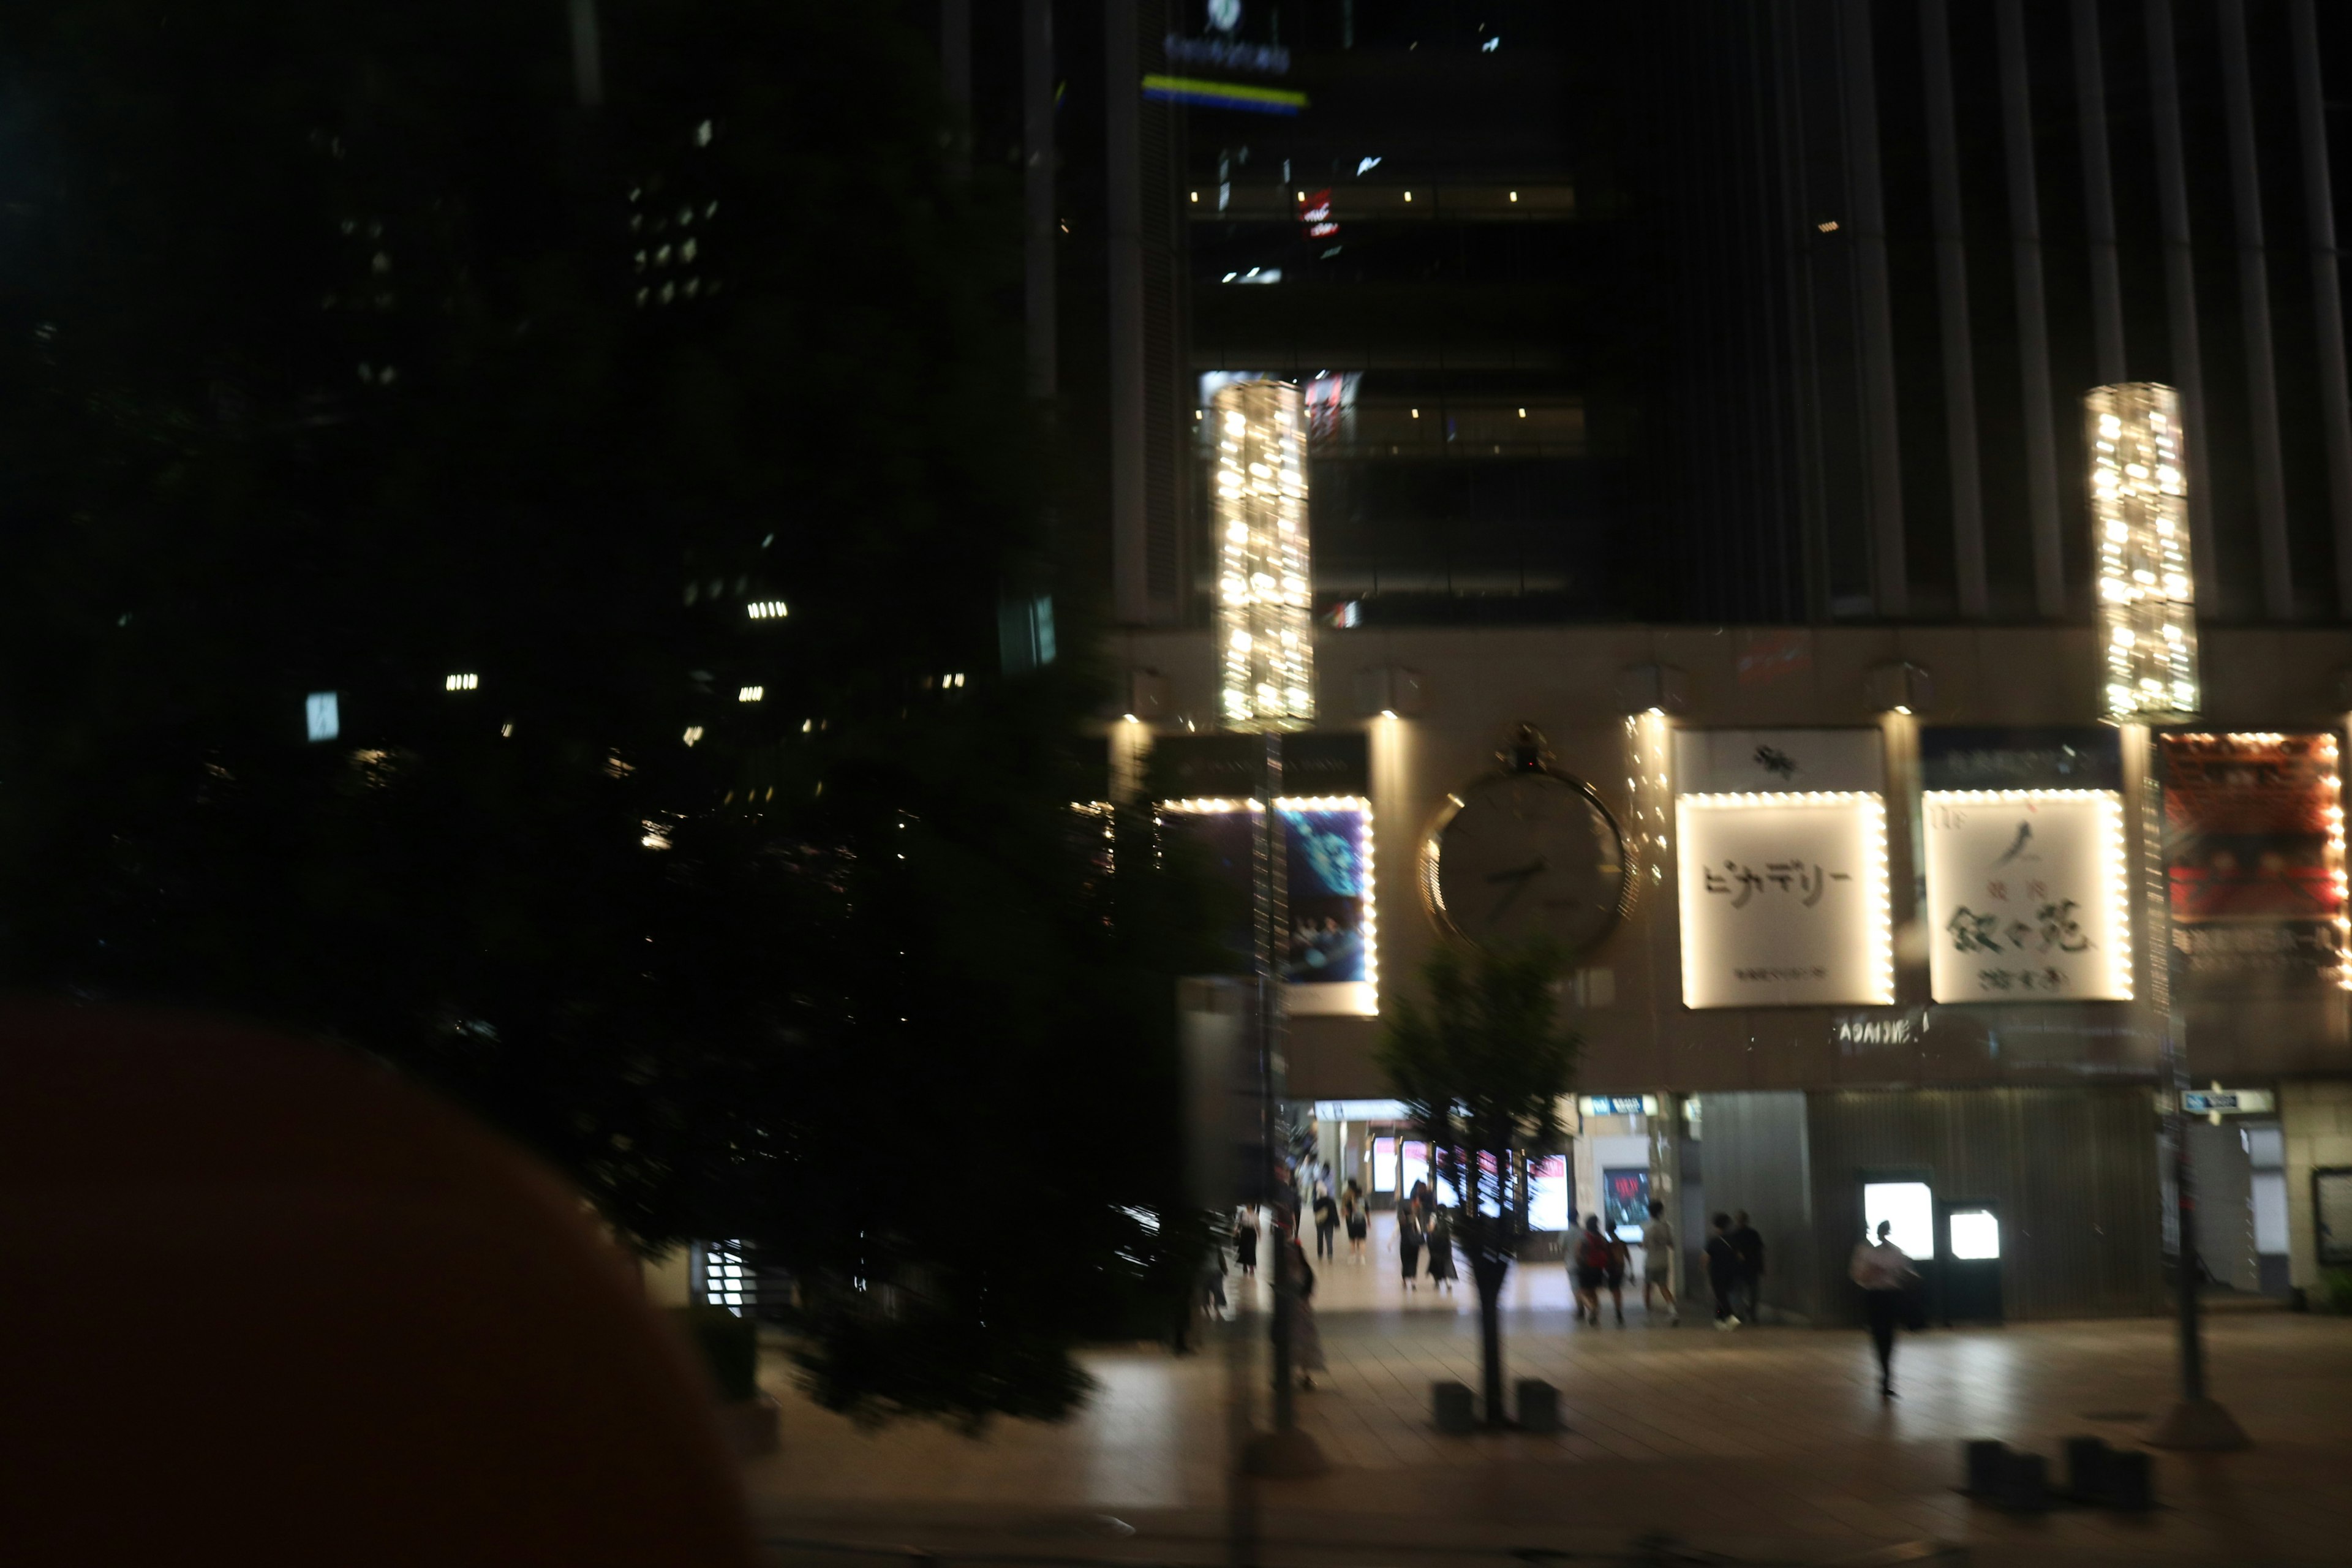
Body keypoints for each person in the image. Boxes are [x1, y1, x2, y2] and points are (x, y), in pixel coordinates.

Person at [1850, 1219, 1917, 1398]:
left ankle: (1886, 1374)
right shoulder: (1869, 1253)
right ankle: (1886, 1374)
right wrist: (1874, 1272)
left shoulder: (1893, 1252)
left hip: (1889, 1296)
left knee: (1887, 1336)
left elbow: (1906, 1273)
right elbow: (1859, 1276)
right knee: (1882, 1335)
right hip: (1878, 1296)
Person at [1280, 1229, 1326, 1390]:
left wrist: (1303, 1304)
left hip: (1302, 1314)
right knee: (1292, 1344)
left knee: (1304, 1345)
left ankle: (1305, 1375)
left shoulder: (1305, 1272)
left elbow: (1309, 1291)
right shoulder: (1288, 1272)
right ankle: (1292, 1375)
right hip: (1292, 1313)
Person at [1642, 1199, 1679, 1325]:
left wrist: (1642, 1245)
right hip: (1663, 1261)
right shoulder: (1666, 1226)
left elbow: (1645, 1246)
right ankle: (1673, 1312)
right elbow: (1671, 1244)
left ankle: (1648, 1315)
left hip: (1651, 1262)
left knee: (1647, 1287)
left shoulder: (1648, 1227)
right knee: (1663, 1286)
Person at [1571, 1215, 1611, 1325]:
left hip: (1586, 1268)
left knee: (1581, 1293)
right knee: (1593, 1292)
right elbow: (1606, 1251)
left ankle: (1592, 1308)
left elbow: (1578, 1254)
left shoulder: (1584, 1237)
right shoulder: (1601, 1238)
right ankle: (1595, 1317)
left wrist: (1580, 1263)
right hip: (1598, 1268)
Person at [1705, 1212, 1741, 1329]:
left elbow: (1706, 1257)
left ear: (1716, 1226)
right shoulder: (1734, 1240)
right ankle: (1719, 1318)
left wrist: (1703, 1268)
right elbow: (1740, 1256)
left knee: (1721, 1295)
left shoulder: (1713, 1241)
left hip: (1716, 1272)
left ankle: (1730, 1316)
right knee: (1722, 1295)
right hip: (1731, 1272)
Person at [1730, 1211, 1766, 1324]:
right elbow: (1759, 1251)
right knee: (1753, 1293)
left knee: (1738, 1293)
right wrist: (1761, 1267)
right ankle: (1752, 1314)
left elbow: (1730, 1252)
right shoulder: (1753, 1234)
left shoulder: (1733, 1236)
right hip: (1752, 1267)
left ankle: (1741, 1314)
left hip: (1738, 1268)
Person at [1604, 1225, 1632, 1326]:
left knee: (1614, 1290)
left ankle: (1618, 1310)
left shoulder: (1608, 1244)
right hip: (1620, 1268)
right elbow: (1628, 1256)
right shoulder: (1621, 1242)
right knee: (1617, 1290)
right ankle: (1618, 1309)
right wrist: (1631, 1270)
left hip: (1611, 1268)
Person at [1425, 1208, 1458, 1292]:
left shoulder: (1434, 1216)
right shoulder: (1449, 1217)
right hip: (1446, 1244)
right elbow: (1451, 1230)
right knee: (1447, 1262)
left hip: (1436, 1243)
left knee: (1435, 1262)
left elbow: (1431, 1228)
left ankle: (1437, 1282)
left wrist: (1428, 1229)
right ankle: (1448, 1282)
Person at [1397, 1203, 1424, 1291]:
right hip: (1414, 1245)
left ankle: (1404, 1281)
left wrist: (1389, 1244)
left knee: (1405, 1263)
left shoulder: (1401, 1221)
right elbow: (1419, 1231)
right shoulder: (1414, 1220)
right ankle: (1413, 1282)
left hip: (1404, 1245)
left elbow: (1395, 1233)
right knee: (1413, 1262)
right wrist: (1420, 1242)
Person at [1343, 1181, 1369, 1262]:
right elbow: (1367, 1212)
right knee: (1362, 1240)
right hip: (1361, 1222)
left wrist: (1346, 1217)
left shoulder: (1350, 1202)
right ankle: (1362, 1258)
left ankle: (1353, 1257)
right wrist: (1369, 1221)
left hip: (1352, 1223)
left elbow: (1346, 1212)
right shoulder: (1364, 1201)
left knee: (1352, 1240)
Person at [1312, 1187, 1340, 1261]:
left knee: (1320, 1238)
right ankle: (1330, 1254)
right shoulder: (1331, 1201)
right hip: (1329, 1223)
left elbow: (1314, 1211)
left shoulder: (1317, 1202)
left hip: (1320, 1222)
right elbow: (1335, 1213)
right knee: (1329, 1239)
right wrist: (1337, 1223)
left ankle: (1320, 1254)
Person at [1234, 1205, 1260, 1280]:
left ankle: (1251, 1267)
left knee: (1251, 1250)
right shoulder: (1243, 1214)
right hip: (1245, 1232)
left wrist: (1259, 1234)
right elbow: (1239, 1223)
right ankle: (1245, 1265)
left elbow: (1258, 1226)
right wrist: (1236, 1230)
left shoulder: (1255, 1216)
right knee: (1244, 1249)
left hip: (1252, 1233)